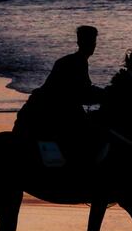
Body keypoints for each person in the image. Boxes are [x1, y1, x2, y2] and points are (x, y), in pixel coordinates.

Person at [13, 26, 106, 165]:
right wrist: (106, 95)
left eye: (93, 42)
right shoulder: (76, 62)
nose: (92, 46)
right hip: (46, 110)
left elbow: (82, 93)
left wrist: (103, 95)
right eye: (89, 42)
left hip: (50, 106)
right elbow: (81, 94)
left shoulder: (76, 60)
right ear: (79, 43)